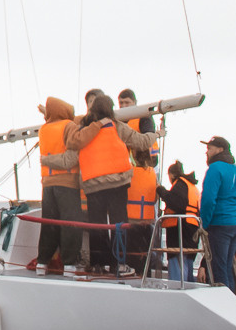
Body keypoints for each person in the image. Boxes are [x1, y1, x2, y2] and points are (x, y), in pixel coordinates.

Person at [71, 93, 157, 275]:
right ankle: (120, 263)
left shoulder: (84, 129)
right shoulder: (117, 126)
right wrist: (157, 133)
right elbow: (141, 142)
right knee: (119, 224)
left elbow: (73, 144)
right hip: (117, 183)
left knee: (97, 225)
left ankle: (97, 264)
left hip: (93, 185)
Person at [33, 97, 83, 276]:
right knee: (71, 223)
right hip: (67, 181)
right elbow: (72, 157)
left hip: (47, 183)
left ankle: (42, 262)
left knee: (49, 224)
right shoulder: (69, 126)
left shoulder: (44, 129)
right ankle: (69, 264)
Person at [198, 136, 236, 287]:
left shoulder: (215, 168)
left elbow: (209, 199)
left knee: (218, 269)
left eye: (210, 148)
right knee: (226, 267)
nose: (207, 151)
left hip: (220, 224)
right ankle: (231, 301)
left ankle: (224, 304)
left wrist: (204, 223)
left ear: (220, 150)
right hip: (235, 223)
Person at [124, 145, 162, 275]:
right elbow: (156, 197)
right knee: (146, 255)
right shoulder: (153, 174)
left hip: (132, 220)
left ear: (135, 156)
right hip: (148, 220)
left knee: (132, 255)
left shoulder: (130, 172)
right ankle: (145, 276)